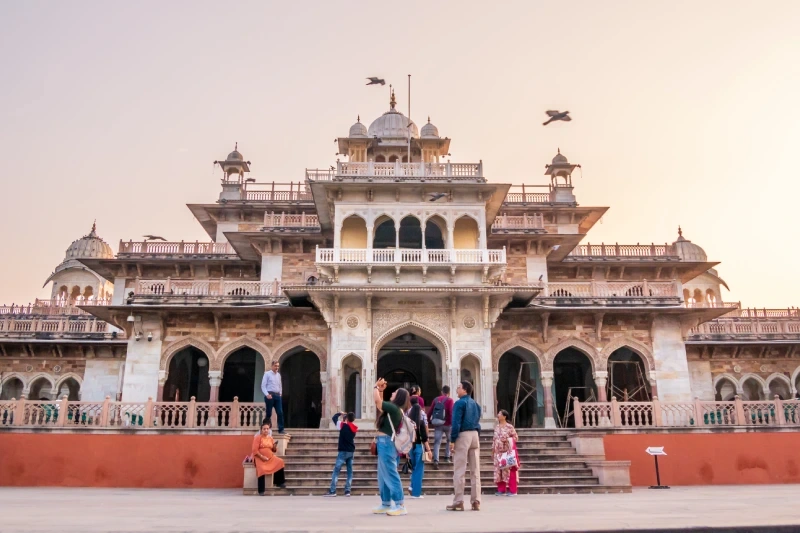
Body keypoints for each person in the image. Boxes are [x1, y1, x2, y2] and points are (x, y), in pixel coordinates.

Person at [373, 378, 410, 516]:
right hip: (385, 442)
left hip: (387, 443)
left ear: (398, 397)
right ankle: (386, 503)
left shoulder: (395, 409)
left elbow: (377, 402)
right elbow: (380, 405)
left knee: (390, 473)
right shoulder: (395, 409)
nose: (392, 393)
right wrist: (380, 391)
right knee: (383, 474)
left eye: (394, 392)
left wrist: (375, 388)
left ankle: (400, 504)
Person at [446, 380, 482, 512]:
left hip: (463, 435)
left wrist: (452, 440)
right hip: (474, 435)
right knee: (475, 470)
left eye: (459, 388)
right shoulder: (476, 404)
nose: (457, 390)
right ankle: (476, 501)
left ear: (465, 389)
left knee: (460, 470)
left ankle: (459, 501)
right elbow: (478, 422)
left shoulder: (459, 403)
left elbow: (456, 423)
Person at [325, 411, 358, 497]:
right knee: (350, 471)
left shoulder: (342, 425)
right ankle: (347, 490)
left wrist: (340, 413)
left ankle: (332, 491)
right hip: (351, 451)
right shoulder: (354, 428)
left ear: (347, 418)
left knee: (336, 471)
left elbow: (334, 418)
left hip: (343, 451)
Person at [251, 420, 287, 494]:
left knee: (280, 462)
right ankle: (261, 490)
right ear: (261, 430)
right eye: (264, 429)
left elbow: (274, 450)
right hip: (259, 458)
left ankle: (279, 482)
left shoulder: (270, 438)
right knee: (261, 469)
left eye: (267, 429)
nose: (266, 430)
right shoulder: (258, 438)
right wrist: (262, 457)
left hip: (270, 458)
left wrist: (274, 446)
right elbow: (255, 450)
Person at [493, 409, 520, 496]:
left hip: (507, 452)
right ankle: (501, 489)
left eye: (500, 414)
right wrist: (492, 450)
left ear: (504, 416)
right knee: (499, 471)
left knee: (509, 471)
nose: (498, 415)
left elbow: (515, 437)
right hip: (498, 452)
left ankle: (513, 490)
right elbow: (494, 439)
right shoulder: (497, 427)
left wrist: (507, 440)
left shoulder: (509, 427)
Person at [407, 396, 431, 498]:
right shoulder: (420, 423)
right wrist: (429, 450)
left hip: (410, 447)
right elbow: (424, 438)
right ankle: (416, 493)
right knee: (419, 470)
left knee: (414, 468)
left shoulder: (408, 423)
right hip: (419, 447)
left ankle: (412, 486)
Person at [427, 385, 454, 469]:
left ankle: (436, 459)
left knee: (437, 442)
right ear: (449, 393)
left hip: (438, 424)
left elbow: (430, 411)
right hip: (448, 424)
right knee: (449, 440)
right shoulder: (450, 400)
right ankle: (447, 457)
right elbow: (450, 412)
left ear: (442, 392)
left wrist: (428, 421)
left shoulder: (436, 400)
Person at [261, 360, 285, 434]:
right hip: (270, 395)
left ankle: (281, 429)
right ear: (272, 366)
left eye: (278, 366)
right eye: (275, 366)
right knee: (269, 413)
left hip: (277, 395)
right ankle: (265, 428)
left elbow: (280, 385)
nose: (277, 367)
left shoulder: (278, 375)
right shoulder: (267, 374)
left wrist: (280, 393)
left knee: (280, 412)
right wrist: (267, 394)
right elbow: (263, 385)